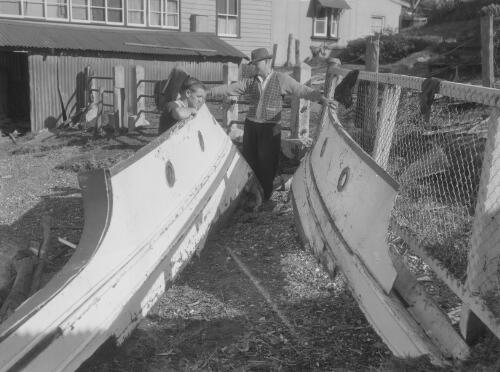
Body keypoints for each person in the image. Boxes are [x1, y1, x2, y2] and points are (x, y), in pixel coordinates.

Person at [208, 47, 336, 207]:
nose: (254, 66)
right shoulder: (250, 81)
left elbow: (301, 90)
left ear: (267, 62)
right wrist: (206, 93)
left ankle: (265, 197)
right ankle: (250, 195)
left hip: (271, 128)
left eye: (257, 63)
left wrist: (321, 99)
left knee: (267, 162)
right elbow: (229, 89)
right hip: (251, 126)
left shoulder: (282, 79)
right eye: (253, 64)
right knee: (249, 160)